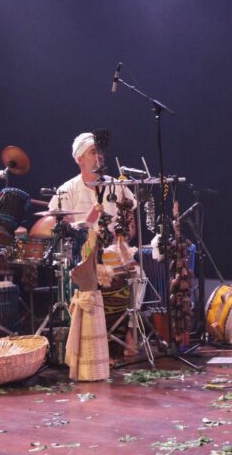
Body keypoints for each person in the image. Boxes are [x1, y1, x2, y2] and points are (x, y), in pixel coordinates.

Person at [48, 132, 140, 357]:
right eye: (92, 152)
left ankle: (131, 330)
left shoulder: (116, 186)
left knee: (138, 273)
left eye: (99, 151)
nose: (98, 156)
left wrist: (121, 242)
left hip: (113, 251)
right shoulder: (66, 190)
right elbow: (59, 227)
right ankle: (84, 337)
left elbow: (131, 227)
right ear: (80, 158)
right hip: (83, 255)